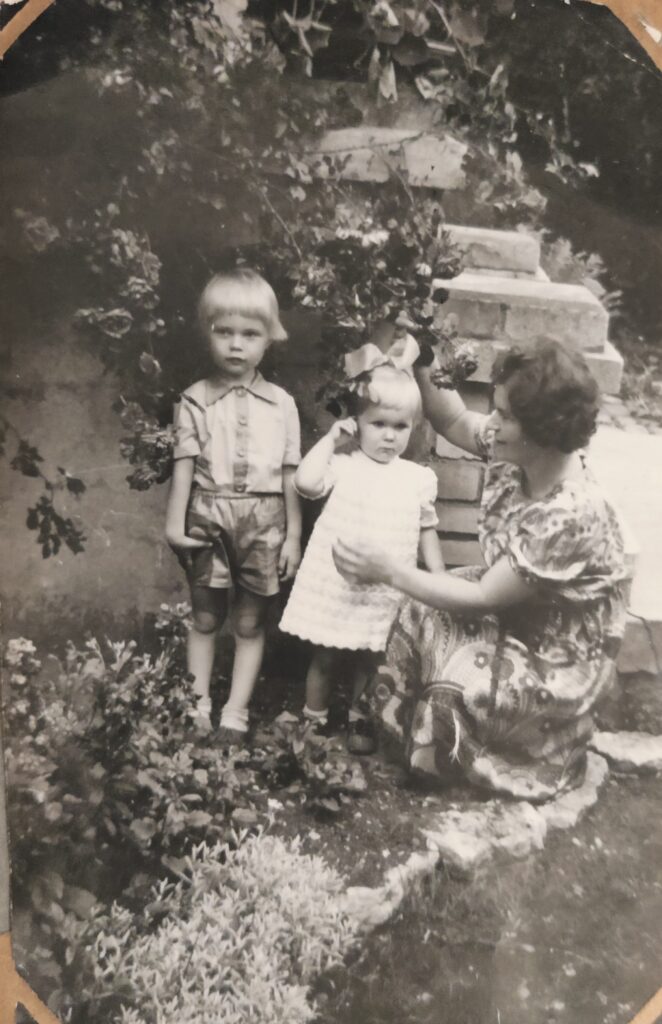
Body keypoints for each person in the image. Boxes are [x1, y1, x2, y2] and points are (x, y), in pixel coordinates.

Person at [332, 337, 633, 800]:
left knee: (462, 684)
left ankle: (500, 757)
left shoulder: (572, 512)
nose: (491, 423)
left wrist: (388, 569)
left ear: (542, 430)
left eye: (504, 415)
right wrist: (424, 355)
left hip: (557, 655)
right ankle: (423, 742)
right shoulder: (524, 453)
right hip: (519, 611)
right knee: (421, 607)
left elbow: (483, 597)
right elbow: (453, 419)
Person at [279, 337, 444, 753]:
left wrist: (439, 577)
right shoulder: (343, 464)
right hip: (339, 583)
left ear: (414, 427)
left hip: (383, 587)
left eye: (400, 427)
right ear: (357, 422)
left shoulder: (416, 478)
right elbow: (305, 483)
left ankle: (361, 718)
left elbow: (427, 528)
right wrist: (331, 440)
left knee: (373, 657)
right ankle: (313, 717)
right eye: (378, 424)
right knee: (325, 654)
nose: (389, 436)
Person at [165, 268, 302, 743]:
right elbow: (184, 466)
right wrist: (174, 526)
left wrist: (294, 536)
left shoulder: (282, 404)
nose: (236, 345)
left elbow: (290, 474)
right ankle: (197, 704)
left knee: (249, 621)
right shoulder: (194, 400)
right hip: (208, 515)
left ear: (270, 338)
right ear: (207, 334)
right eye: (224, 332)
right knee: (205, 616)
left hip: (265, 521)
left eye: (250, 334)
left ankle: (236, 712)